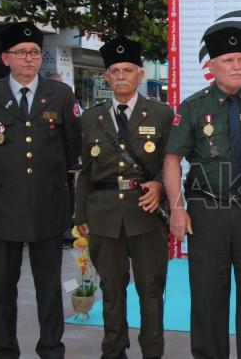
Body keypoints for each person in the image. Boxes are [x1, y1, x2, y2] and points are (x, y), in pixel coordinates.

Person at [0, 22, 82, 359]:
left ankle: (51, 348)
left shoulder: (60, 95)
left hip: (48, 201)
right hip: (3, 205)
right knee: (2, 287)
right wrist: (7, 177)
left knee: (49, 285)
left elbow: (72, 144)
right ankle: (4, 350)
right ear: (6, 58)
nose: (29, 58)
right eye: (21, 53)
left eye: (34, 52)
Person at [164, 26, 241, 359]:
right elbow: (172, 160)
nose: (237, 66)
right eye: (229, 60)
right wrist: (177, 209)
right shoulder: (194, 107)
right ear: (211, 66)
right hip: (206, 213)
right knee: (208, 297)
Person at [75, 37, 171, 359]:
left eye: (127, 70)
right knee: (112, 292)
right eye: (114, 71)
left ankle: (152, 352)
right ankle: (113, 351)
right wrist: (80, 216)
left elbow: (171, 165)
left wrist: (159, 186)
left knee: (151, 291)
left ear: (140, 75)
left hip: (146, 214)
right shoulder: (91, 118)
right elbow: (85, 172)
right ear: (106, 77)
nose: (120, 76)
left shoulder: (160, 114)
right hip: (103, 217)